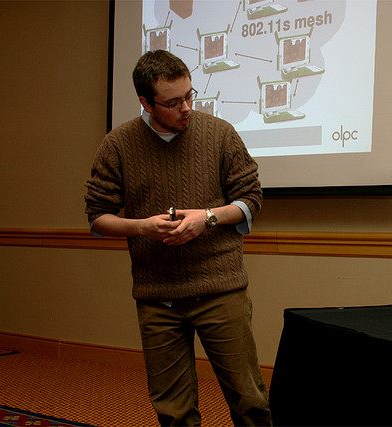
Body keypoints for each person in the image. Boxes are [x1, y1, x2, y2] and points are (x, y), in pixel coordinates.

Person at [84, 50, 271, 426]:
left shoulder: (219, 134)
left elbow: (251, 199)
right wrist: (144, 227)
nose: (186, 108)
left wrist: (208, 218)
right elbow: (98, 217)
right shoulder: (118, 144)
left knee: (249, 400)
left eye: (190, 96)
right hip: (158, 297)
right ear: (146, 103)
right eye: (172, 102)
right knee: (173, 410)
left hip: (221, 290)